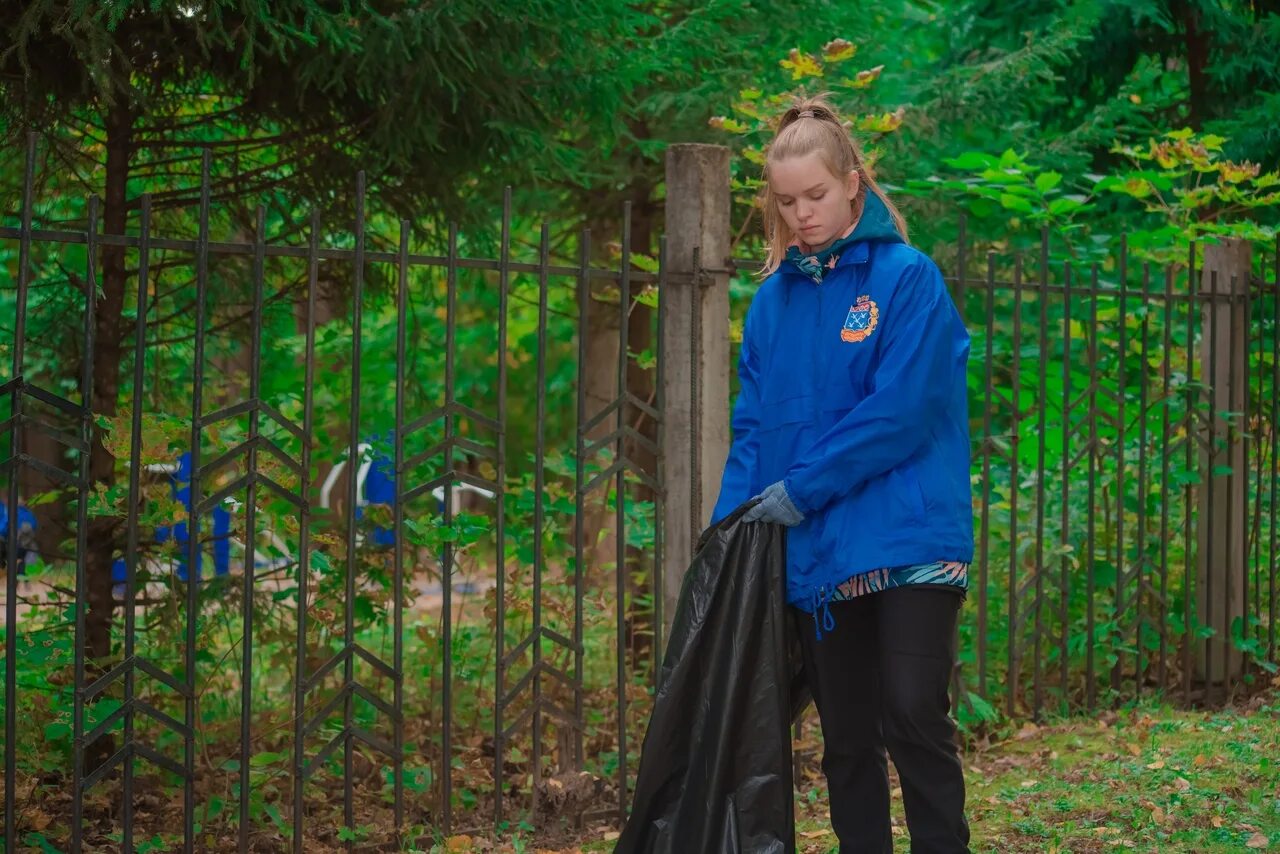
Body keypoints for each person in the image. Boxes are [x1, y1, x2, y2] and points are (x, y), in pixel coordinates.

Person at [710, 96, 974, 853]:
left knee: (913, 712)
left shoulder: (908, 280)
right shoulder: (770, 304)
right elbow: (754, 433)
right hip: (819, 556)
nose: (802, 214)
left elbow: (902, 412)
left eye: (816, 196)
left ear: (853, 182)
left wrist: (801, 490)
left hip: (909, 538)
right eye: (787, 202)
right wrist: (729, 531)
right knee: (848, 742)